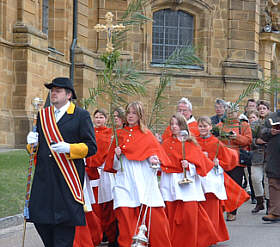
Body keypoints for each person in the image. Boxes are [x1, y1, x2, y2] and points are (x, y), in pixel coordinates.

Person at [26, 77, 97, 247]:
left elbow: (91, 147)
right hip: (44, 180)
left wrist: (70, 148)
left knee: (63, 233)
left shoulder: (81, 115)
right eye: (52, 90)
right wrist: (31, 144)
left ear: (68, 94)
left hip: (67, 181)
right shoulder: (43, 115)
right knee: (41, 223)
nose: (53, 93)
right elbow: (37, 150)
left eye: (57, 90)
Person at [104, 101, 172, 247]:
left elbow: (158, 161)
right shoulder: (119, 135)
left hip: (144, 184)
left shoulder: (147, 135)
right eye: (128, 112)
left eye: (134, 113)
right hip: (125, 183)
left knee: (157, 226)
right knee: (126, 226)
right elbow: (114, 166)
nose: (130, 116)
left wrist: (154, 160)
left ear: (140, 115)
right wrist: (116, 156)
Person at [160, 113, 218, 247]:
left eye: (177, 124)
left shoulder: (190, 143)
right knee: (171, 213)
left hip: (187, 184)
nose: (174, 127)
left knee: (189, 215)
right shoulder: (167, 143)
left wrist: (190, 165)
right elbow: (162, 162)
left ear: (182, 126)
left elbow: (201, 164)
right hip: (170, 182)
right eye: (172, 124)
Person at [196, 116, 248, 244]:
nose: (202, 129)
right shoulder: (194, 141)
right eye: (200, 126)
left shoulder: (216, 142)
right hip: (197, 178)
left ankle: (212, 236)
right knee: (200, 209)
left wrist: (218, 163)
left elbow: (228, 161)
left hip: (212, 179)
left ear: (210, 127)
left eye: (205, 126)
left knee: (212, 209)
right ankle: (201, 236)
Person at [217, 102, 252, 221]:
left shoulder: (243, 125)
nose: (231, 113)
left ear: (237, 112)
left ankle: (232, 211)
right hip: (223, 160)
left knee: (235, 187)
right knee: (223, 186)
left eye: (233, 111)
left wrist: (235, 137)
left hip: (237, 160)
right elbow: (214, 141)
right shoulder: (220, 125)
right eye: (229, 111)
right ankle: (223, 209)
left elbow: (248, 140)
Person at [249, 100, 270, 214]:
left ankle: (269, 204)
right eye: (260, 108)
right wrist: (256, 141)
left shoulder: (273, 122)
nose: (262, 110)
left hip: (269, 155)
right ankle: (259, 201)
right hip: (257, 155)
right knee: (256, 179)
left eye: (264, 108)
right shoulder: (253, 124)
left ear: (268, 110)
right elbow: (249, 139)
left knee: (268, 180)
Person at [260, 109, 280, 222]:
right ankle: (275, 213)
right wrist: (270, 132)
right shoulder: (271, 117)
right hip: (274, 156)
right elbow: (262, 134)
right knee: (274, 184)